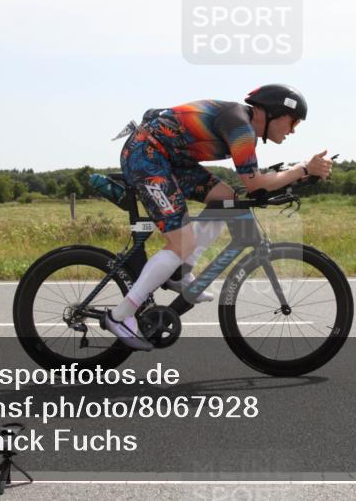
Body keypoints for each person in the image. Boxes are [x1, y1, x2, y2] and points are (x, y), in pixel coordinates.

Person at [103, 84, 333, 350]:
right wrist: (301, 168)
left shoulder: (244, 127)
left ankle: (179, 272)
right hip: (147, 156)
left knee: (225, 198)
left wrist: (300, 174)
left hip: (170, 158)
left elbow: (254, 181)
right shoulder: (240, 128)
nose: (292, 130)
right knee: (182, 242)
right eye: (293, 122)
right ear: (274, 114)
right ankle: (119, 316)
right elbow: (255, 184)